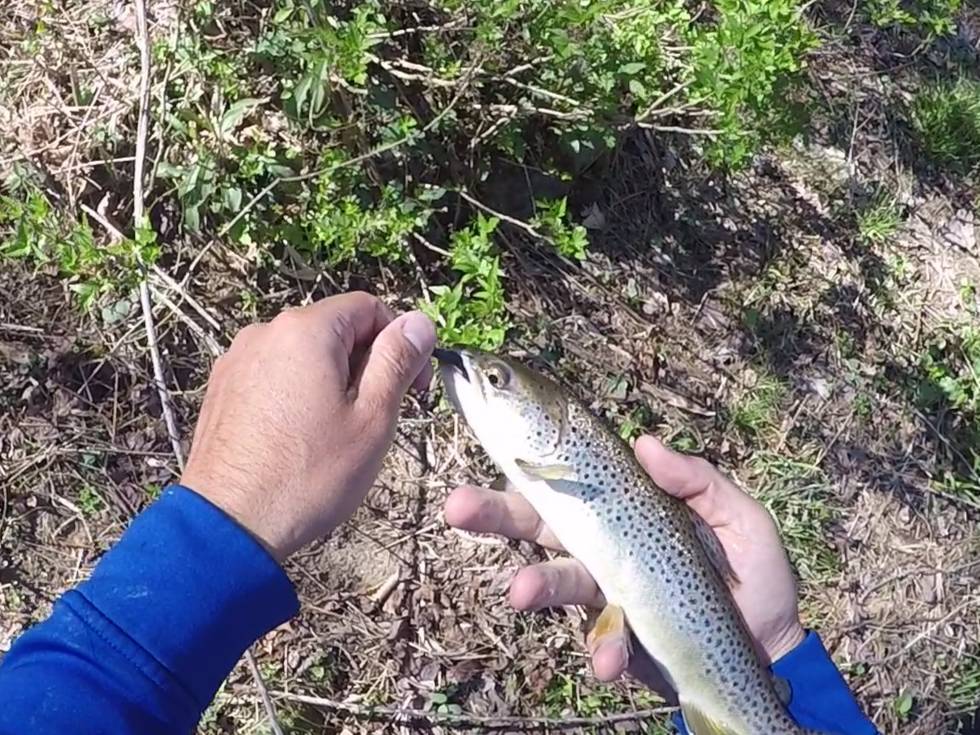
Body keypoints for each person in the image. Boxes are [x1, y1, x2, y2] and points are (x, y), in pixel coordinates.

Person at [0, 292, 877, 735]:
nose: (477, 378)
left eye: (495, 382)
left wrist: (221, 508)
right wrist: (778, 649)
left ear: (550, 432)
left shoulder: (553, 451)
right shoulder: (548, 462)